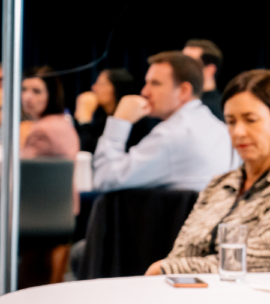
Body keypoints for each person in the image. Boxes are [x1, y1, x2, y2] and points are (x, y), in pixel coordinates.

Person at [145, 69, 270, 275]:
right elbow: (180, 252)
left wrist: (166, 269)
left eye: (250, 120)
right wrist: (168, 269)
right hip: (192, 291)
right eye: (231, 121)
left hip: (254, 295)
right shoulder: (219, 184)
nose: (238, 132)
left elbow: (259, 262)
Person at [92, 51, 233, 192]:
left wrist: (120, 121)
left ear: (184, 90)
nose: (144, 92)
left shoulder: (172, 135)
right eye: (146, 83)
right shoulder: (219, 128)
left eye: (155, 83)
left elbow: (104, 178)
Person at [17, 66, 80, 288]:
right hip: (60, 214)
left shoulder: (41, 130)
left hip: (38, 217)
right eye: (24, 89)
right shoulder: (62, 123)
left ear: (51, 95)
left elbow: (22, 177)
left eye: (36, 91)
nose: (27, 97)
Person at [74, 69, 157, 153]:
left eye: (101, 84)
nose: (94, 87)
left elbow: (94, 153)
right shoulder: (103, 117)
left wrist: (85, 119)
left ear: (116, 88)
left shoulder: (135, 121)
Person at [183, 39, 224, 121]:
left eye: (189, 63)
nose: (181, 68)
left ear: (210, 70)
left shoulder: (221, 109)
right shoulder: (178, 103)